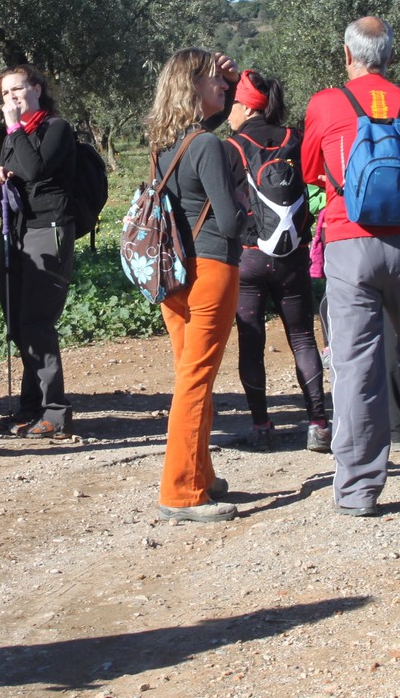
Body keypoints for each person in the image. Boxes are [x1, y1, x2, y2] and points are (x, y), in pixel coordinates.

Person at [302, 17, 400, 518]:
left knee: (356, 365)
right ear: (390, 58)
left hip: (348, 241)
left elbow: (310, 169)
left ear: (347, 55)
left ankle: (359, 489)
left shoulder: (325, 103)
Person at [149, 49, 245, 522]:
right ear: (192, 86)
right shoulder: (207, 146)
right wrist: (248, 211)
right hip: (211, 268)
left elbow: (215, 118)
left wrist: (232, 77)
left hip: (172, 272)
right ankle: (181, 492)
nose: (224, 88)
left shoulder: (163, 142)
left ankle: (199, 473)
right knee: (197, 379)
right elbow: (228, 221)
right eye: (215, 81)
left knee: (190, 374)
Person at [225, 70, 328, 453]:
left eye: (233, 104)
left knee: (251, 342)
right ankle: (318, 424)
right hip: (292, 256)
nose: (229, 112)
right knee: (302, 337)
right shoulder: (295, 138)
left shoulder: (231, 147)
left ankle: (261, 427)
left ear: (246, 106)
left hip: (250, 258)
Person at [0, 64, 77, 439]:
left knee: (37, 322)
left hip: (48, 230)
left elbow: (34, 169)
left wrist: (13, 128)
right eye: (5, 93)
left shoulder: (57, 129)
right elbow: (16, 172)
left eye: (18, 89)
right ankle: (31, 407)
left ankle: (55, 413)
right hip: (18, 233)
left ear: (37, 90)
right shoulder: (16, 134)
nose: (11, 97)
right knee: (18, 323)